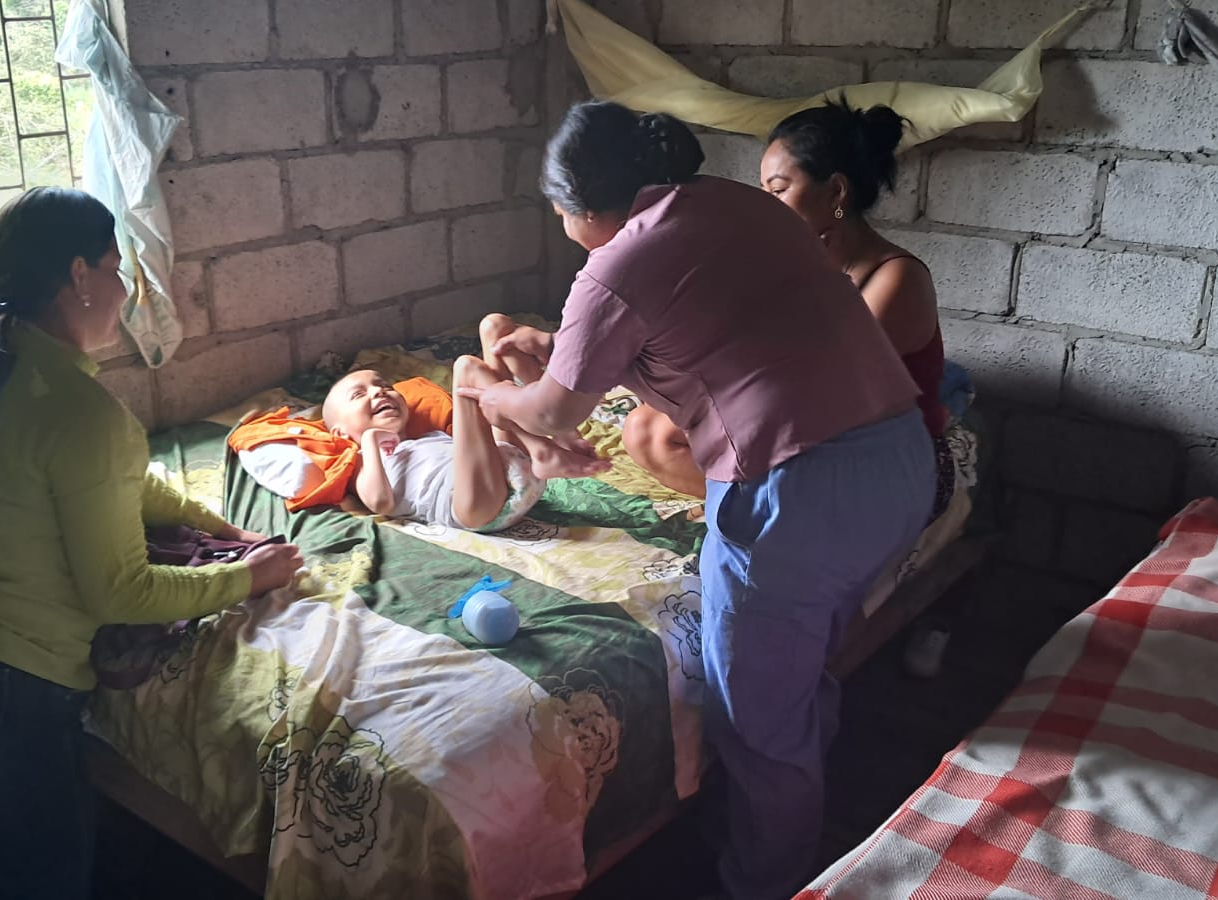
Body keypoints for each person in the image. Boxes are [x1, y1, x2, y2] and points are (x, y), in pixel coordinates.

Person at [465, 101, 934, 899]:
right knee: (800, 668)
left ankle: (767, 880)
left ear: (576, 204)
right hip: (897, 464)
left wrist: (482, 392)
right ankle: (799, 813)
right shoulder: (737, 203)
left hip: (796, 494)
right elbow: (703, 336)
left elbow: (550, 413)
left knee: (757, 720)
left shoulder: (614, 264)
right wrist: (564, 350)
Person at [0, 187, 303, 900]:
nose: (125, 290)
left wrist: (221, 528)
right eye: (115, 268)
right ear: (79, 276)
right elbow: (119, 593)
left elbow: (120, 479)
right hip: (1, 701)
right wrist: (247, 578)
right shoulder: (79, 412)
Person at [623, 101, 953, 515]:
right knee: (647, 429)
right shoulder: (787, 261)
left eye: (778, 190)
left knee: (680, 423)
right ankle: (756, 510)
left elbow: (808, 392)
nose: (766, 206)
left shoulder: (897, 279)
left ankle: (767, 516)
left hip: (884, 461)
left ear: (836, 192)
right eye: (764, 192)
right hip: (806, 434)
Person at [320, 315, 603, 532]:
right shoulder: (361, 463)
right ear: (340, 432)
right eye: (359, 395)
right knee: (466, 368)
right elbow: (381, 502)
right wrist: (370, 441)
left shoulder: (428, 436)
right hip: (472, 506)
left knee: (496, 327)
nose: (379, 392)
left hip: (503, 472)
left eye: (384, 386)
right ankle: (545, 445)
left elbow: (480, 449)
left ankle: (558, 436)